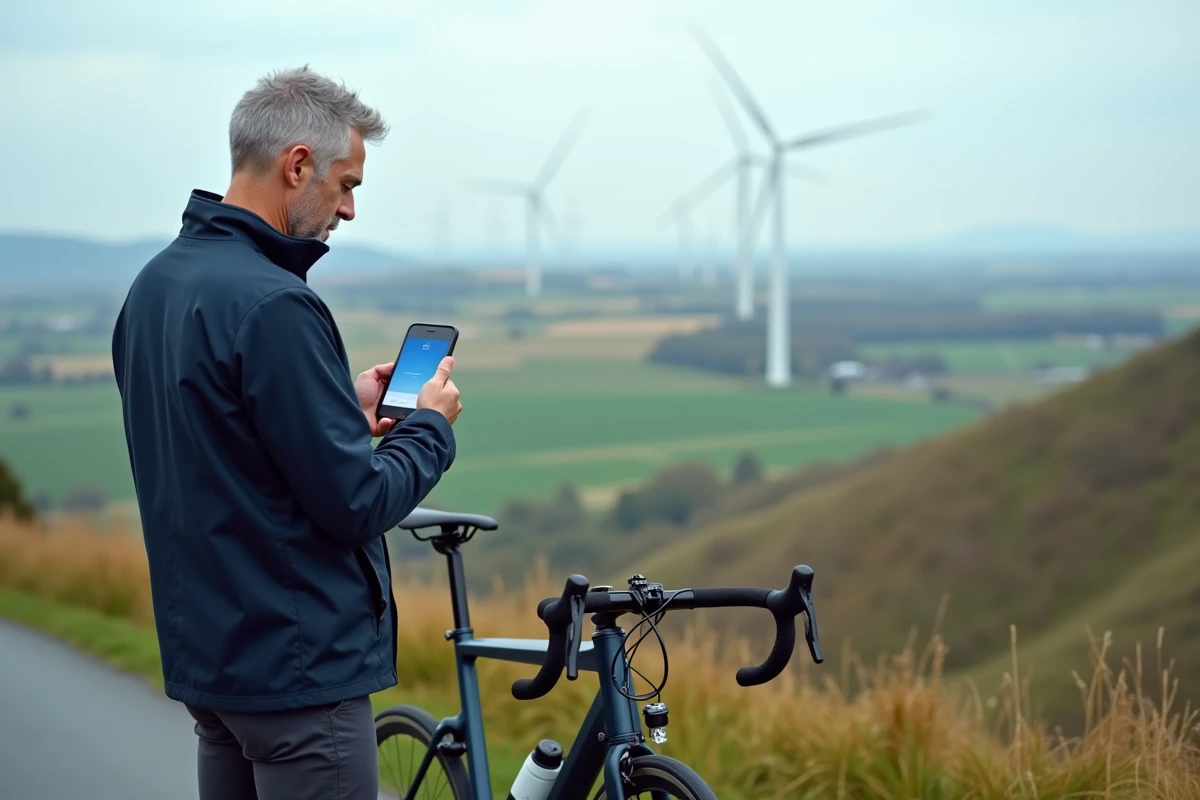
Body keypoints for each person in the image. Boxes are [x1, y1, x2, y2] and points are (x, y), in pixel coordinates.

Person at [111, 66, 461, 799]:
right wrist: (428, 427)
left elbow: (221, 444)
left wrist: (335, 405)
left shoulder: (156, 286)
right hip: (297, 675)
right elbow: (357, 503)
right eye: (346, 184)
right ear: (297, 165)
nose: (349, 209)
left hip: (215, 667)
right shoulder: (275, 304)